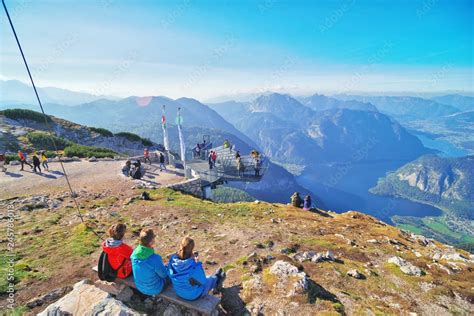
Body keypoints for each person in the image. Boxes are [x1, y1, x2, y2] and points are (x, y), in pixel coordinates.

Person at [131, 228, 169, 296]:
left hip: (140, 287)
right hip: (155, 289)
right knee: (169, 274)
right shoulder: (155, 258)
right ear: (151, 241)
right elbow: (164, 275)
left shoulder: (134, 254)